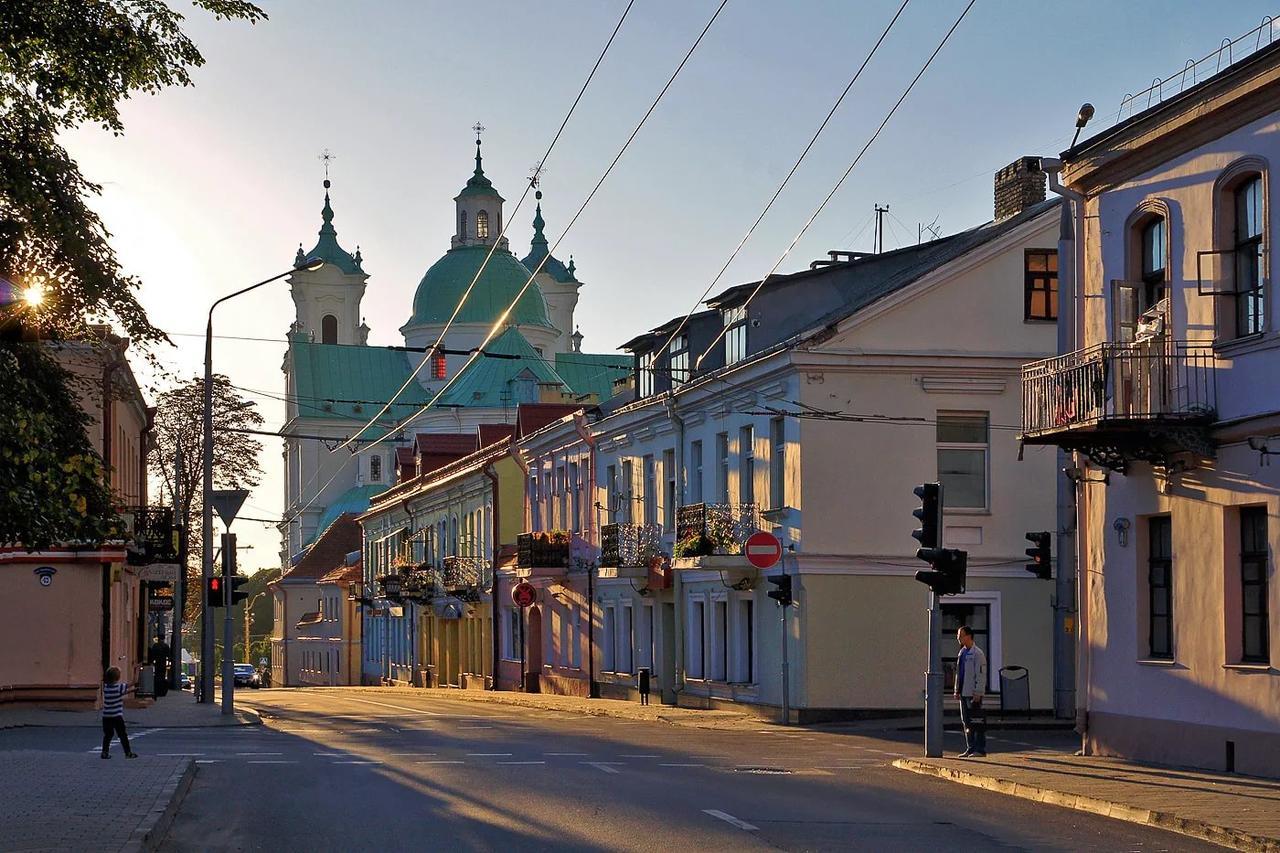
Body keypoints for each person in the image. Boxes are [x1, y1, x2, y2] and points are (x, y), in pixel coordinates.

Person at [954, 625, 987, 758]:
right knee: (966, 721)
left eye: (960, 635)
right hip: (963, 692)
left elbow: (981, 674)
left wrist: (978, 692)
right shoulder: (962, 653)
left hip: (973, 694)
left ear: (968, 636)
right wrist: (957, 689)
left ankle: (979, 749)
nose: (958, 638)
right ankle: (970, 747)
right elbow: (959, 673)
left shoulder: (977, 653)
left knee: (976, 721)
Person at [101, 667, 137, 759]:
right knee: (122, 734)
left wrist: (130, 691)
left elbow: (119, 693)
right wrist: (136, 671)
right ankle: (128, 753)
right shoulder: (119, 687)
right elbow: (133, 683)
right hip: (117, 716)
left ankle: (104, 752)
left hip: (106, 716)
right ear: (118, 677)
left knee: (108, 735)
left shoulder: (105, 687)